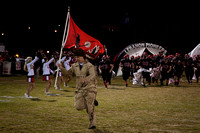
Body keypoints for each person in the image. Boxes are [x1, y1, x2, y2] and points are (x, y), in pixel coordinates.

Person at [58, 48, 98, 129]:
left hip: (90, 88)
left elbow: (93, 75)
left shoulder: (89, 65)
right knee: (78, 107)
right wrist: (61, 68)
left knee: (90, 109)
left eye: (78, 57)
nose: (76, 59)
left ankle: (92, 123)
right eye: (75, 57)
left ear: (83, 56)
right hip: (80, 89)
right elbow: (68, 73)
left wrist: (85, 80)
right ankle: (91, 103)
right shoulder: (74, 66)